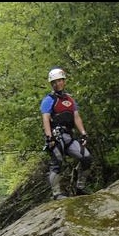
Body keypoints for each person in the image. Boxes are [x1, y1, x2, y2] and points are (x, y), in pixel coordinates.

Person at [40, 68, 92, 200]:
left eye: (59, 81)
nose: (57, 84)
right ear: (52, 84)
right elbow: (46, 118)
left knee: (86, 157)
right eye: (54, 82)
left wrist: (83, 133)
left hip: (69, 136)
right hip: (56, 137)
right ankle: (56, 194)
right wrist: (48, 137)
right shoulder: (48, 99)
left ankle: (80, 187)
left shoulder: (70, 99)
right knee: (57, 163)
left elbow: (76, 117)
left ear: (63, 81)